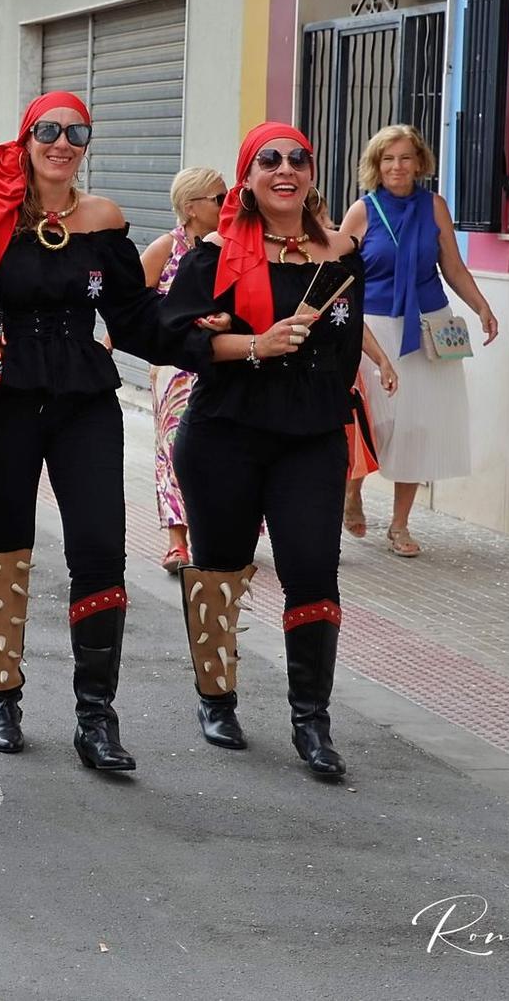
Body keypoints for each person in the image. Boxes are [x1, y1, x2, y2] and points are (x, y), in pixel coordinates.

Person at [0, 92, 166, 769]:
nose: (62, 141)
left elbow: (136, 317)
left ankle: (95, 716)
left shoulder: (104, 218)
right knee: (3, 545)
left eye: (76, 131)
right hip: (4, 400)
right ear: (26, 138)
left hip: (84, 399)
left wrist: (213, 336)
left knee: (102, 549)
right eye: (48, 130)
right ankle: (1, 694)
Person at [160, 122, 363, 779]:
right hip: (225, 429)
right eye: (268, 160)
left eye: (297, 158)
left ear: (311, 172)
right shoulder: (214, 253)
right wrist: (250, 344)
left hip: (310, 436)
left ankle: (312, 720)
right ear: (246, 179)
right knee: (221, 567)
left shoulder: (338, 253)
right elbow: (174, 339)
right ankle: (216, 698)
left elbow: (346, 345)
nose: (285, 169)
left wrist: (333, 406)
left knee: (312, 570)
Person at [336, 125, 497, 557]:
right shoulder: (363, 211)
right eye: (388, 159)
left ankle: (399, 525)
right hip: (375, 329)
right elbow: (339, 276)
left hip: (429, 326)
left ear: (419, 162)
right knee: (374, 421)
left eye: (405, 158)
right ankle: (353, 490)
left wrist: (482, 306)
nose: (397, 166)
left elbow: (454, 268)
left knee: (418, 426)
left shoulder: (435, 207)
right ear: (375, 165)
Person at [140, 167, 226, 574]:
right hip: (175, 368)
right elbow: (134, 306)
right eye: (219, 198)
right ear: (191, 208)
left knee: (219, 447)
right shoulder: (166, 247)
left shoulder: (229, 246)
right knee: (173, 449)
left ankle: (219, 528)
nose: (228, 205)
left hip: (219, 359)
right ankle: (177, 539)